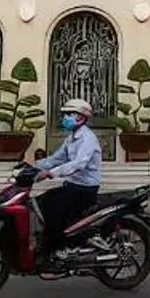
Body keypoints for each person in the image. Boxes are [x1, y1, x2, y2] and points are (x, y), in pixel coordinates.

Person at [27, 97, 104, 261]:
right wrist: (32, 166)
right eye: (65, 114)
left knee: (53, 211)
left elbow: (78, 164)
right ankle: (47, 244)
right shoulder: (71, 138)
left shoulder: (88, 139)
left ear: (81, 118)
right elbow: (56, 158)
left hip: (85, 189)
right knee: (40, 202)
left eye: (69, 114)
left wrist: (50, 173)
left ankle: (61, 249)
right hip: (72, 185)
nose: (65, 118)